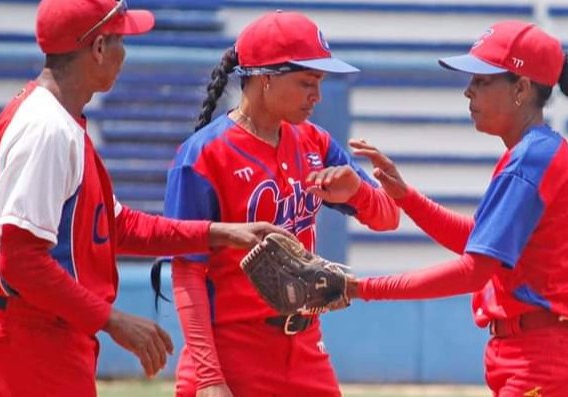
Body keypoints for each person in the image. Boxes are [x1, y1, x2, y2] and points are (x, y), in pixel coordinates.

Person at [0, 1, 288, 396]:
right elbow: (19, 260)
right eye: (120, 40)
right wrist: (113, 321)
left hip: (37, 333)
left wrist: (221, 233)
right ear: (98, 47)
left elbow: (116, 226)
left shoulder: (56, 119)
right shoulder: (47, 130)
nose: (125, 53)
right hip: (30, 338)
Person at [333, 21, 568, 396]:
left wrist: (360, 288)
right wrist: (405, 197)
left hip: (544, 358)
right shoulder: (534, 154)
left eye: (482, 80)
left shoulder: (532, 159)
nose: (468, 91)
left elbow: (474, 271)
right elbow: (478, 243)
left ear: (521, 88)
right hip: (537, 353)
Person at [162, 11, 400, 397]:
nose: (317, 95)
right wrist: (207, 376)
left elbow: (389, 218)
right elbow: (187, 272)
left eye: (320, 82)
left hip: (306, 349)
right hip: (232, 350)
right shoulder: (203, 156)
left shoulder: (315, 142)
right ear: (265, 79)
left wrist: (357, 190)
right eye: (307, 81)